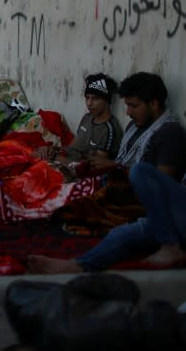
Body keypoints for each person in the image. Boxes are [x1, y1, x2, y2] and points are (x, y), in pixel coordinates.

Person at [28, 72, 186, 273]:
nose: (127, 112)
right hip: (145, 209)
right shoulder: (133, 127)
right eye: (127, 105)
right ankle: (75, 266)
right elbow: (116, 165)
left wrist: (113, 167)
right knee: (121, 235)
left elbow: (160, 186)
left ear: (154, 104)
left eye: (134, 105)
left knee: (139, 172)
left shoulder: (170, 133)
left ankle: (170, 246)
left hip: (159, 209)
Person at [46, 73, 123, 162]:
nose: (89, 103)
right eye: (87, 98)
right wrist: (54, 150)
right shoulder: (87, 117)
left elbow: (94, 168)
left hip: (75, 172)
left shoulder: (109, 130)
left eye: (95, 98)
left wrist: (55, 158)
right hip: (65, 162)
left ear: (106, 100)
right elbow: (72, 147)